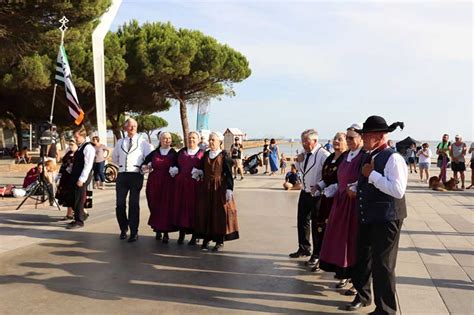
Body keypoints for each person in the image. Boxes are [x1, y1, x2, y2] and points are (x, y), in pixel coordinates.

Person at [347, 115, 407, 314]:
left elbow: (398, 190)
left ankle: (386, 310)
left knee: (383, 265)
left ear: (380, 135)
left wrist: (371, 175)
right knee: (362, 257)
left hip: (387, 217)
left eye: (366, 135)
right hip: (369, 215)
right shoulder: (367, 155)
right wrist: (357, 185)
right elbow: (366, 179)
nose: (362, 138)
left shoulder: (394, 158)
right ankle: (363, 295)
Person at [319, 125, 363, 292]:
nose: (349, 141)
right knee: (340, 241)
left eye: (352, 138)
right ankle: (344, 274)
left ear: (360, 138)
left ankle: (356, 281)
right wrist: (335, 188)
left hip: (353, 204)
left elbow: (363, 178)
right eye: (348, 138)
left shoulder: (362, 156)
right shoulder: (347, 156)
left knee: (353, 241)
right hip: (341, 201)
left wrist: (355, 187)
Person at [289, 129, 330, 261]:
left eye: (306, 141)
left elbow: (329, 176)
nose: (303, 144)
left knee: (316, 225)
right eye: (302, 141)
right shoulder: (303, 153)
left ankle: (317, 254)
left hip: (317, 194)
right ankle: (304, 248)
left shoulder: (323, 155)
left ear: (315, 141)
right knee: (302, 221)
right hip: (305, 192)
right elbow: (300, 169)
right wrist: (298, 161)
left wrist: (320, 185)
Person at [195, 131, 239, 252]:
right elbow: (202, 168)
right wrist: (199, 172)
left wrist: (230, 189)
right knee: (206, 211)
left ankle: (219, 240)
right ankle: (207, 237)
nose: (210, 142)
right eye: (209, 140)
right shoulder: (206, 154)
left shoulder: (224, 155)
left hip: (219, 187)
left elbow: (229, 174)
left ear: (219, 142)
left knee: (219, 213)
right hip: (206, 187)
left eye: (212, 140)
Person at [310, 131, 348, 272]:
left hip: (339, 202)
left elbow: (345, 179)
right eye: (335, 139)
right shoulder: (330, 157)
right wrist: (319, 185)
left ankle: (340, 267)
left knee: (336, 234)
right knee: (322, 230)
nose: (336, 141)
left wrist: (335, 187)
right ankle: (322, 259)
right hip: (326, 201)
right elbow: (325, 177)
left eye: (340, 139)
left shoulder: (346, 158)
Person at [112, 118, 153, 242]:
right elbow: (115, 158)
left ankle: (134, 231)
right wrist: (123, 166)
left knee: (134, 204)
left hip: (136, 175)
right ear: (125, 128)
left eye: (134, 126)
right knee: (120, 204)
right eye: (130, 126)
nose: (132, 128)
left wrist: (144, 167)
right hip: (122, 175)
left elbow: (150, 158)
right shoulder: (120, 142)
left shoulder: (143, 143)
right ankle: (123, 228)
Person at [144, 131, 178, 243]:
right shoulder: (154, 153)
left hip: (168, 183)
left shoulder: (174, 153)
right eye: (164, 138)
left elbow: (179, 166)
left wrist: (175, 170)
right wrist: (146, 166)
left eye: (169, 138)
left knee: (166, 207)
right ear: (160, 140)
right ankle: (157, 228)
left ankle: (165, 232)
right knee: (154, 205)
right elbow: (144, 163)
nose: (167, 140)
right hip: (154, 182)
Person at [173, 131, 205, 245]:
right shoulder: (182, 151)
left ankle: (194, 236)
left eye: (194, 138)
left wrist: (200, 172)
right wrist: (174, 169)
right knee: (181, 209)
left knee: (194, 210)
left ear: (198, 140)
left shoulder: (202, 153)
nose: (191, 140)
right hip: (181, 185)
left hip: (194, 186)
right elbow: (174, 163)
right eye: (189, 138)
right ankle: (181, 234)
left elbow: (206, 169)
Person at [66, 125, 95, 230]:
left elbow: (88, 165)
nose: (75, 139)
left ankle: (79, 221)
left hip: (82, 177)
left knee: (78, 198)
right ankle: (79, 216)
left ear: (82, 136)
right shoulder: (81, 146)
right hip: (75, 175)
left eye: (76, 137)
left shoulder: (88, 147)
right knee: (72, 197)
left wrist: (81, 179)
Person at [56, 139, 78, 220]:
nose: (70, 146)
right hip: (65, 178)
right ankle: (69, 214)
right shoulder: (68, 153)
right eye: (70, 144)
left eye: (72, 144)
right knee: (67, 196)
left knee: (74, 197)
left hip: (74, 178)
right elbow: (63, 165)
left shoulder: (79, 154)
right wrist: (58, 176)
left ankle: (80, 213)